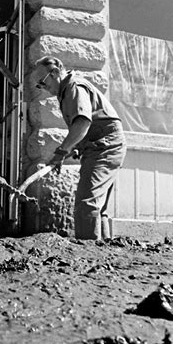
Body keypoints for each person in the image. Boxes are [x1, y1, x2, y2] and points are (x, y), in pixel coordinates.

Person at [34, 56, 127, 241]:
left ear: (55, 72)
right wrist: (78, 146)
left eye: (43, 82)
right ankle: (103, 255)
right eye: (39, 85)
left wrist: (61, 152)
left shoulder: (73, 87)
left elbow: (83, 122)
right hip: (101, 145)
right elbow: (85, 126)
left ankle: (88, 254)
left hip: (105, 146)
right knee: (97, 206)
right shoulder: (66, 91)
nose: (43, 88)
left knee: (86, 204)